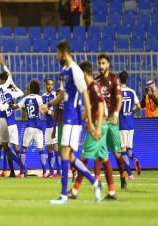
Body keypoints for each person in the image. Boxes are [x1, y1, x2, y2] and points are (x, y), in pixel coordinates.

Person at [40, 40, 102, 204]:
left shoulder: (75, 71)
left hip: (73, 118)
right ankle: (95, 182)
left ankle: (64, 195)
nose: (57, 56)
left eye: (58, 53)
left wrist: (88, 120)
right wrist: (48, 105)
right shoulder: (65, 71)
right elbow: (61, 95)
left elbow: (85, 95)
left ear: (64, 53)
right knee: (69, 155)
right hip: (66, 117)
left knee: (65, 153)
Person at [67, 60, 117, 200]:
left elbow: (101, 106)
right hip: (99, 123)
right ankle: (112, 191)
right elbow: (93, 108)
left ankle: (75, 191)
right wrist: (80, 119)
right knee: (103, 158)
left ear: (83, 73)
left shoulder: (94, 87)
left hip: (98, 124)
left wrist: (98, 127)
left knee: (83, 157)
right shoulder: (90, 87)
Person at [94, 53, 127, 189]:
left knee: (117, 153)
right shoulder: (95, 81)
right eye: (99, 63)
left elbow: (119, 99)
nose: (101, 66)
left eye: (103, 63)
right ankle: (97, 182)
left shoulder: (114, 79)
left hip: (112, 121)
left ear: (108, 64)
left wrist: (116, 114)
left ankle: (123, 179)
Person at [11, 79, 47, 178]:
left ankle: (22, 172)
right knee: (41, 149)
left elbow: (15, 107)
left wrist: (10, 105)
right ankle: (44, 172)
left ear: (30, 89)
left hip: (30, 125)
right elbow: (41, 107)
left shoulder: (25, 99)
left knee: (24, 149)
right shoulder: (39, 98)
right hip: (38, 126)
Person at [51, 74, 78, 182]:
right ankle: (72, 170)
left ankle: (69, 173)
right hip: (60, 126)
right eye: (59, 80)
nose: (59, 82)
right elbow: (57, 110)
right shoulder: (58, 92)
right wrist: (54, 128)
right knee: (62, 153)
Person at [118, 70, 142, 180]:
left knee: (122, 149)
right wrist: (132, 111)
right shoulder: (132, 91)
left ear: (119, 80)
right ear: (126, 79)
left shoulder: (117, 92)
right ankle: (135, 159)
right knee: (128, 148)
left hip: (122, 124)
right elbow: (139, 106)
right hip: (131, 124)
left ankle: (130, 174)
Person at [42, 78, 61, 178]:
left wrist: (47, 111)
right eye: (48, 84)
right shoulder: (43, 97)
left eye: (51, 84)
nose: (50, 86)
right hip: (47, 126)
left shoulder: (55, 95)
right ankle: (52, 171)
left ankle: (58, 171)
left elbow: (54, 114)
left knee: (55, 147)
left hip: (55, 126)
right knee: (49, 148)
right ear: (45, 85)